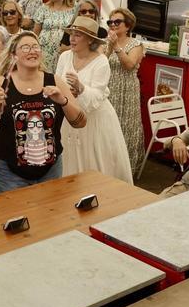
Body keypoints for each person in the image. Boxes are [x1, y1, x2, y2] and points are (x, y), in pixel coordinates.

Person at [0, 31, 87, 193]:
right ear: (14, 54)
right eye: (26, 47)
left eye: (35, 47)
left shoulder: (54, 80)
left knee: (49, 215)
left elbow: (81, 122)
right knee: (16, 217)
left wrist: (63, 100)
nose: (32, 51)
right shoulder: (2, 84)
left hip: (51, 170)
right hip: (10, 173)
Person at [55, 16, 132, 183]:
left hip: (95, 121)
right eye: (71, 34)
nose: (72, 39)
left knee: (95, 164)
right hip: (69, 116)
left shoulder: (101, 62)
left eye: (78, 35)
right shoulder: (65, 57)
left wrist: (81, 88)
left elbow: (97, 96)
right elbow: (58, 82)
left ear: (90, 40)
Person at [104, 7, 146, 173]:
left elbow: (129, 65)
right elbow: (101, 61)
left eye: (117, 22)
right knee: (108, 126)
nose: (113, 25)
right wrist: (109, 46)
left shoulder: (136, 44)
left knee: (125, 126)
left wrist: (117, 47)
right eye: (110, 22)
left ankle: (125, 168)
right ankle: (107, 165)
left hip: (126, 90)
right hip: (109, 87)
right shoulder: (106, 41)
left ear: (128, 26)